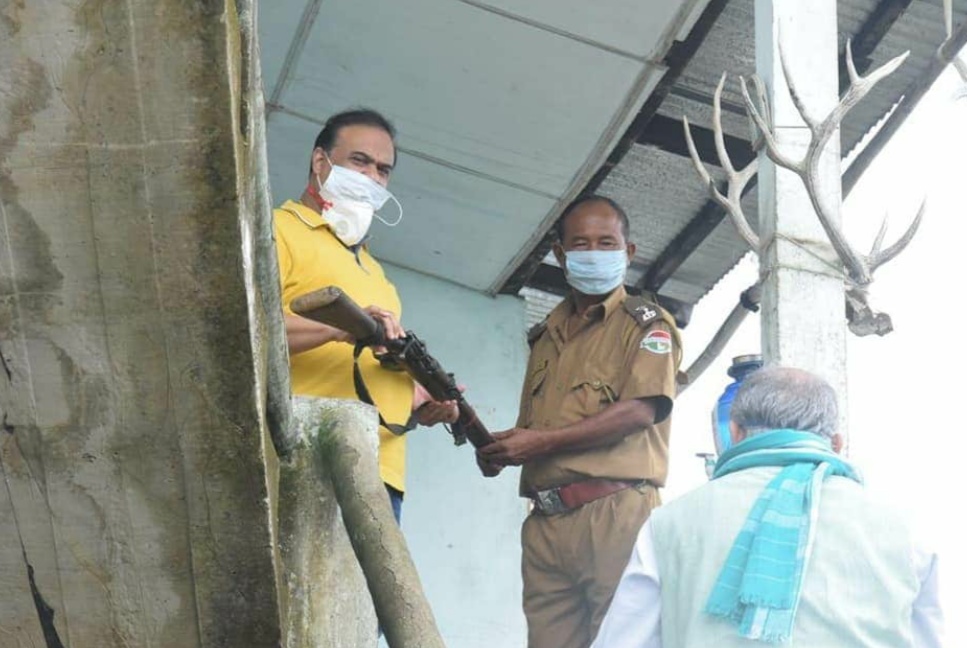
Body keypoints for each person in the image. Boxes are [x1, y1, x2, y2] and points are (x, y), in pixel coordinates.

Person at [592, 366, 944, 648]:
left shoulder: (669, 523)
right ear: (836, 443)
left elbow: (624, 639)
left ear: (735, 431)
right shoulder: (905, 529)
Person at [477, 195, 683, 648]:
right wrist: (503, 448)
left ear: (628, 253)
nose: (594, 253)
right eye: (582, 244)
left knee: (622, 641)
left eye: (606, 243)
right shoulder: (545, 336)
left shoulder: (646, 325)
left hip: (615, 513)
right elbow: (539, 428)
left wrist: (539, 443)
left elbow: (641, 410)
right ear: (560, 253)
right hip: (546, 521)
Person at [274, 108, 457, 521]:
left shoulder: (379, 277)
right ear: (320, 162)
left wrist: (420, 403)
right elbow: (248, 332)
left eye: (383, 170)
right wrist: (342, 330)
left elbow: (365, 376)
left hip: (383, 474)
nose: (373, 177)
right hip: (310, 457)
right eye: (360, 161)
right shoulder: (278, 229)